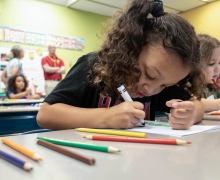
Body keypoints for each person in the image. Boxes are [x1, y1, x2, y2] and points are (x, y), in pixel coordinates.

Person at [37, 0, 205, 130]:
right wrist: (106, 117)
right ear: (130, 49)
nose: (151, 90)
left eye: (165, 85)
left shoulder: (160, 82)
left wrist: (190, 115)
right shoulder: (93, 65)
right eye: (149, 74)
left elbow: (197, 105)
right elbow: (46, 114)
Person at [197, 34, 220, 111]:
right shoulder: (188, 87)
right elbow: (193, 102)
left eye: (219, 63)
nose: (217, 69)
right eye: (211, 64)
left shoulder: (212, 87)